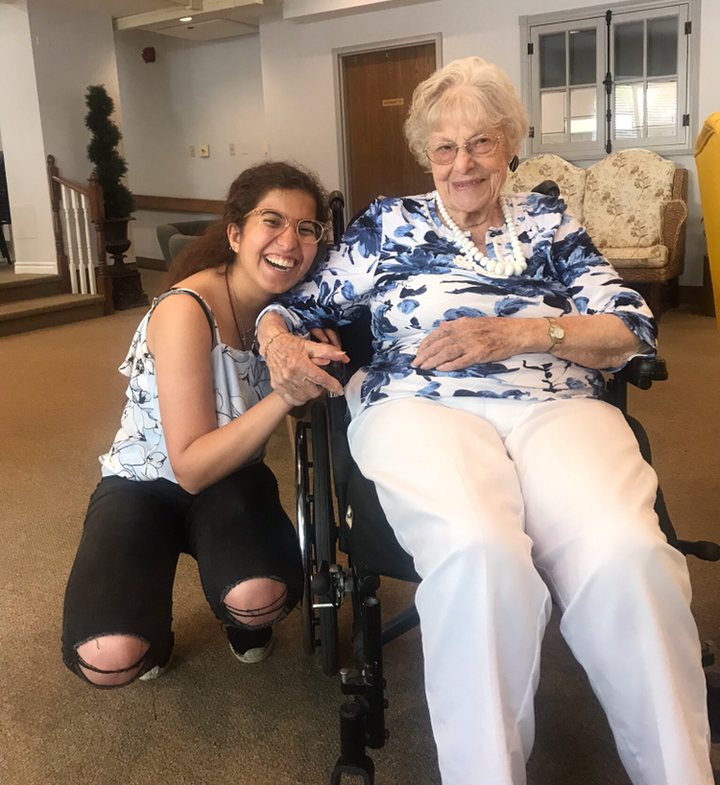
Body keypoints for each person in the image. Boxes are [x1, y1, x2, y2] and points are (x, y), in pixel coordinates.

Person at [255, 58, 713, 784]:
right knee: (477, 550)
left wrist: (522, 334)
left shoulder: (549, 222)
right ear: (425, 154)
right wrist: (277, 341)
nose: (462, 163)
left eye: (480, 143)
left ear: (510, 144)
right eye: (445, 147)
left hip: (556, 403)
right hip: (421, 404)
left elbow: (632, 326)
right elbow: (293, 305)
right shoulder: (389, 225)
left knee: (628, 551)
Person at [62, 160, 329, 687]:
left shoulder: (294, 308)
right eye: (271, 221)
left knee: (260, 600)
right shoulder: (187, 308)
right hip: (146, 483)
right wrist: (285, 393)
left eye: (306, 228)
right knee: (108, 658)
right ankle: (150, 637)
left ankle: (240, 613)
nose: (289, 241)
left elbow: (305, 409)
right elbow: (188, 467)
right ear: (235, 233)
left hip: (233, 478)